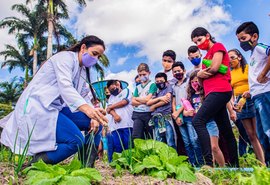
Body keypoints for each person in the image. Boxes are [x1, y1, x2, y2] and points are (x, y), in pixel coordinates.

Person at [0, 35, 108, 165]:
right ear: (83, 48)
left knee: (98, 120)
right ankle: (32, 166)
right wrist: (88, 110)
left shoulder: (82, 72)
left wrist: (93, 114)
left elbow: (83, 96)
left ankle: (86, 169)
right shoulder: (65, 58)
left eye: (98, 57)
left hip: (57, 109)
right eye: (94, 54)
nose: (95, 59)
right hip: (39, 107)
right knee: (76, 141)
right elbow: (65, 87)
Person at [191, 27, 239, 167]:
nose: (199, 44)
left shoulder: (218, 47)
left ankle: (208, 164)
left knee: (198, 121)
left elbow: (215, 67)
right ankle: (235, 166)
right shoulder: (205, 58)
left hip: (221, 90)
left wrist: (203, 73)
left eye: (200, 40)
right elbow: (201, 83)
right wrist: (200, 75)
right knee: (226, 131)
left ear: (207, 36)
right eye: (196, 42)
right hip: (211, 93)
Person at [236, 21, 270, 165]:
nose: (241, 43)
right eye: (239, 40)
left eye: (243, 39)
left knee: (268, 130)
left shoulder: (260, 48)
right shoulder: (252, 55)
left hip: (265, 95)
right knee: (262, 135)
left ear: (254, 36)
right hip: (256, 96)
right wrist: (250, 91)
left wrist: (263, 74)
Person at [228, 48, 265, 164]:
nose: (230, 60)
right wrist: (233, 104)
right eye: (228, 59)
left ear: (239, 57)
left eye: (232, 57)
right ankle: (262, 163)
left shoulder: (248, 68)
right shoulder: (230, 73)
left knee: (259, 132)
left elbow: (256, 82)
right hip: (240, 103)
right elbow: (231, 91)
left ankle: (266, 159)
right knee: (250, 134)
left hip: (251, 98)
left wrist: (249, 92)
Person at [186, 70, 225, 167]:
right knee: (206, 148)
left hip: (210, 122)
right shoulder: (191, 96)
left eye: (196, 81)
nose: (195, 84)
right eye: (192, 82)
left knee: (214, 147)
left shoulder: (207, 93)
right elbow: (187, 109)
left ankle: (223, 168)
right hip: (199, 125)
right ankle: (211, 168)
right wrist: (188, 112)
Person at [171, 62, 203, 166]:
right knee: (186, 142)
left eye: (179, 71)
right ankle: (192, 163)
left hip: (189, 114)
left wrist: (179, 112)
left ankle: (200, 163)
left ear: (184, 71)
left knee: (194, 140)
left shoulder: (189, 83)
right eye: (175, 71)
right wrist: (176, 116)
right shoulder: (174, 86)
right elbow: (174, 102)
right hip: (180, 117)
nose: (177, 73)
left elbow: (188, 99)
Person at [147, 72, 176, 149]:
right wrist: (160, 98)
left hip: (166, 117)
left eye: (161, 81)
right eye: (157, 81)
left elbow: (166, 99)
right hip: (156, 118)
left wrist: (154, 105)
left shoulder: (168, 88)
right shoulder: (156, 92)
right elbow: (148, 102)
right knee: (159, 142)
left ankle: (173, 159)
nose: (159, 83)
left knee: (170, 141)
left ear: (165, 81)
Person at [106, 80, 133, 162]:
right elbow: (108, 110)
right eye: (110, 90)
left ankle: (129, 162)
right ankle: (119, 163)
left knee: (128, 144)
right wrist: (115, 115)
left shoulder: (126, 91)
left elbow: (124, 102)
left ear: (117, 84)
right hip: (116, 126)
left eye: (113, 88)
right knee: (117, 146)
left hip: (127, 123)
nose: (112, 91)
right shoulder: (111, 97)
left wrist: (111, 107)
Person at [132, 63, 157, 140]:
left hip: (148, 113)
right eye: (140, 75)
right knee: (136, 136)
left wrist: (138, 99)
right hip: (137, 114)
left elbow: (148, 99)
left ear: (149, 73)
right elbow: (132, 101)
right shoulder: (138, 87)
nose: (142, 76)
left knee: (150, 135)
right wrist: (144, 100)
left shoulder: (152, 84)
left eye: (144, 74)